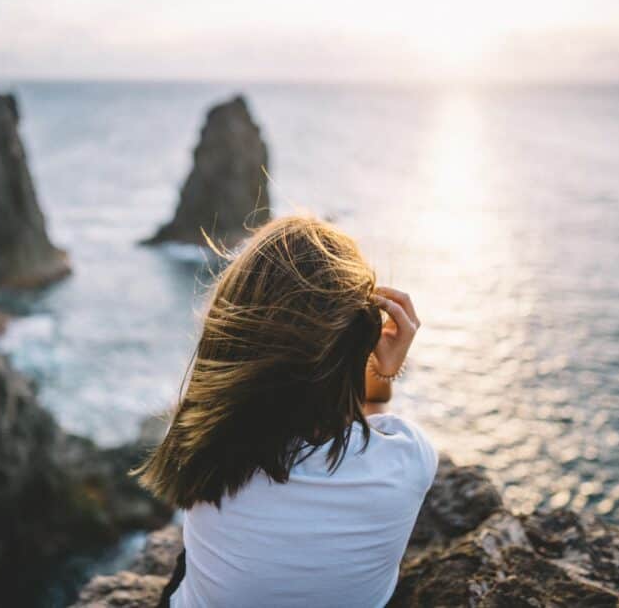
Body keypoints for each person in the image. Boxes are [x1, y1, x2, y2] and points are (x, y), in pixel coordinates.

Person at [132, 215, 438, 607]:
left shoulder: (200, 446)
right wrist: (383, 373)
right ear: (359, 341)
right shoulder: (409, 459)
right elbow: (372, 417)